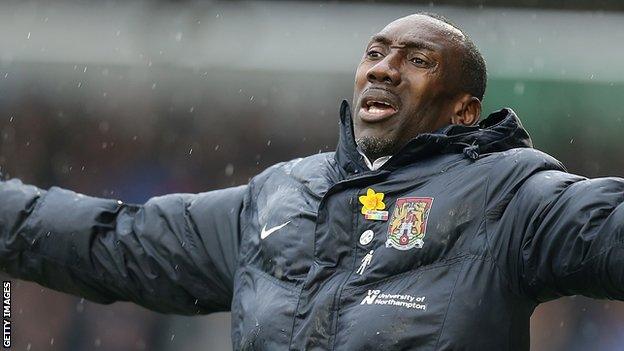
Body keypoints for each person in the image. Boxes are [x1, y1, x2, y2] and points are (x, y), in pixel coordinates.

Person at [1, 12, 623, 351]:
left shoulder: (511, 195)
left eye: (416, 60)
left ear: (463, 109)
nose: (384, 69)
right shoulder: (279, 195)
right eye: (376, 53)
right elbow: (116, 241)